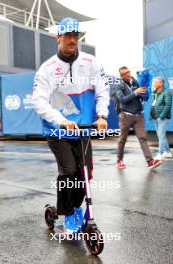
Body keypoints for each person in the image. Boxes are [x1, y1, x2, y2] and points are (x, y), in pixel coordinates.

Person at [32, 17, 110, 231]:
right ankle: (69, 215)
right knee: (69, 171)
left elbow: (103, 91)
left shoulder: (91, 62)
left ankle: (71, 208)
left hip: (83, 130)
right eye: (67, 35)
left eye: (75, 35)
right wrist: (61, 120)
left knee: (85, 173)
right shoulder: (47, 68)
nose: (72, 39)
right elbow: (39, 101)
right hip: (57, 130)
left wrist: (102, 115)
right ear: (59, 37)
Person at [115, 66, 163, 169]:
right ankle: (119, 160)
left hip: (138, 115)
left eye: (127, 72)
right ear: (121, 76)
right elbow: (123, 100)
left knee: (143, 138)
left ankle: (150, 161)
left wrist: (145, 94)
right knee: (122, 139)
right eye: (123, 74)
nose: (127, 75)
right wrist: (136, 92)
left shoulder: (136, 82)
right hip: (125, 116)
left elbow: (143, 98)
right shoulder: (119, 86)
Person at [150, 77, 172, 160]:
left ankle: (160, 153)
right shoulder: (155, 93)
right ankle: (167, 152)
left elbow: (168, 105)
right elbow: (154, 104)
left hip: (162, 117)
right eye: (153, 82)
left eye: (155, 82)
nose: (154, 84)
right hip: (155, 116)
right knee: (160, 135)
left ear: (161, 84)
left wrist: (162, 116)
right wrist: (152, 115)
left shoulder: (167, 93)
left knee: (161, 136)